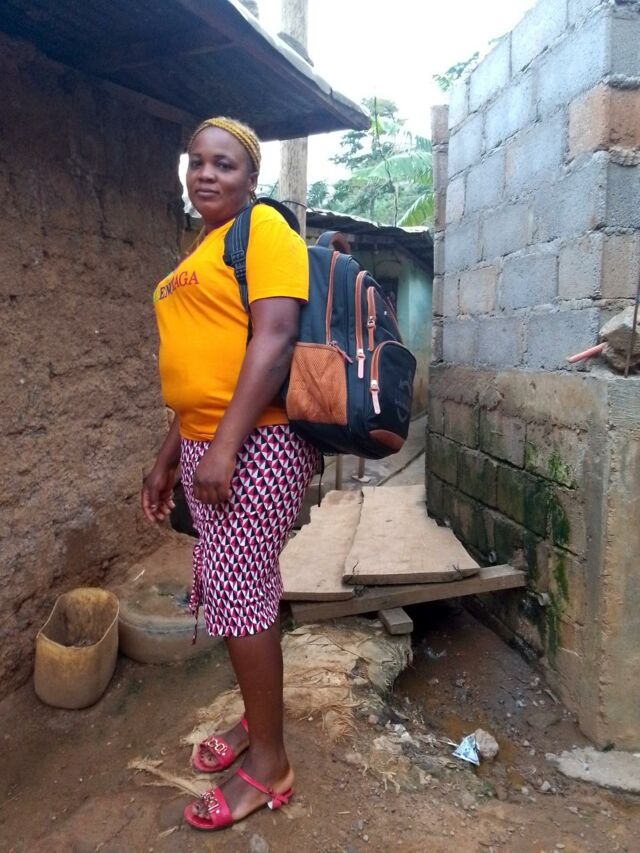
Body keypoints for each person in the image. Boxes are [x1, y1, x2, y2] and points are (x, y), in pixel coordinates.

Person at [141, 116, 319, 832]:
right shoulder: (202, 251)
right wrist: (169, 457)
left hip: (259, 441)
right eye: (196, 162)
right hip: (206, 442)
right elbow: (201, 372)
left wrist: (224, 446)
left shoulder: (264, 231)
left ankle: (271, 766)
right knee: (234, 587)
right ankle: (256, 721)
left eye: (223, 164)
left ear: (251, 178)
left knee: (242, 592)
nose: (206, 174)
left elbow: (273, 340)